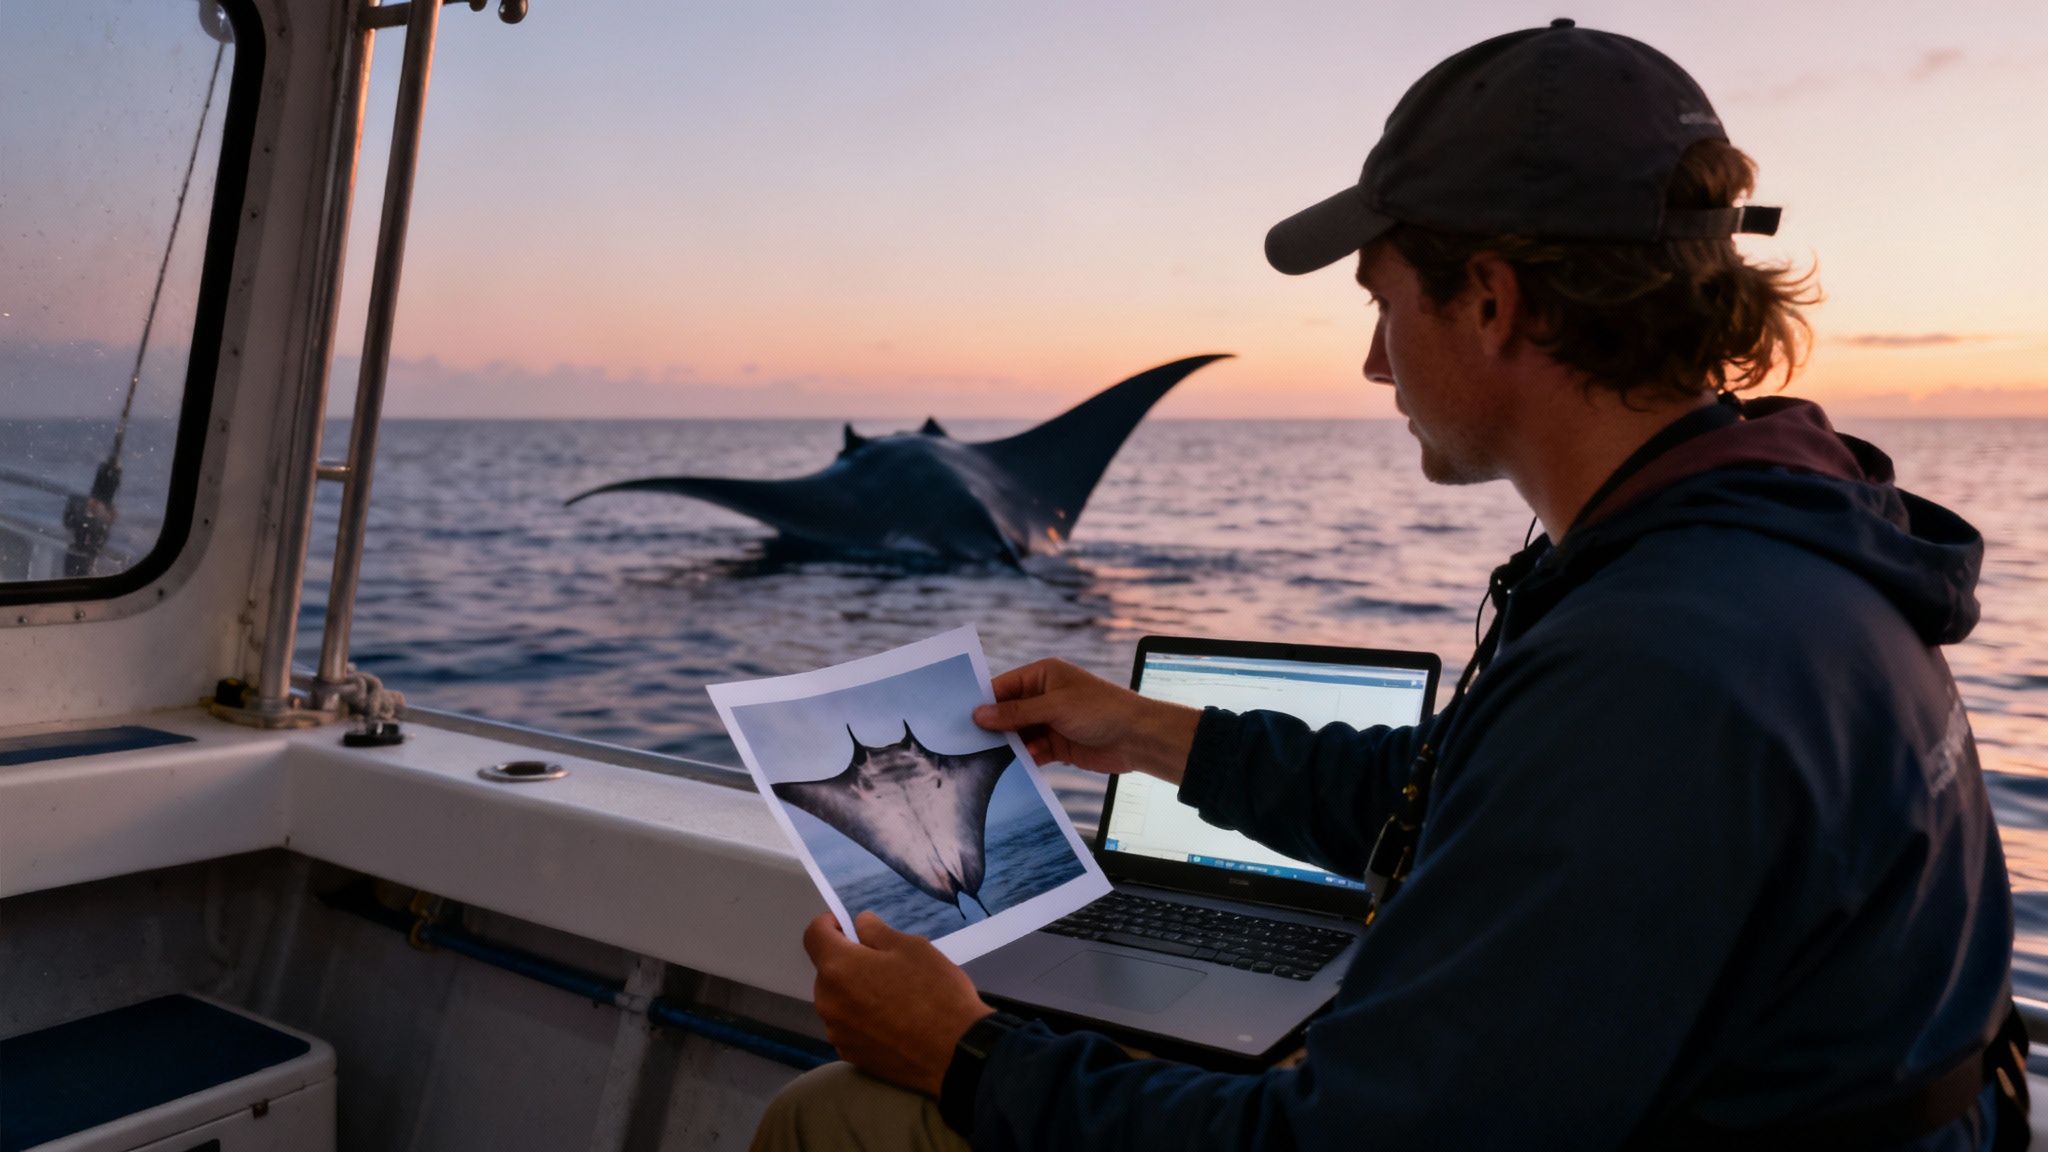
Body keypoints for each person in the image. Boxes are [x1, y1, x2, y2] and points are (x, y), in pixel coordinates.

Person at [751, 19, 2023, 1152]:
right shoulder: (1763, 549)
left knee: (833, 1118)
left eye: (1380, 301)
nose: (1371, 362)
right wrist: (1145, 734)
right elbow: (1462, 805)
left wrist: (965, 1056)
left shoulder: (1659, 669)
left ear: (1487, 300)